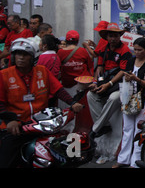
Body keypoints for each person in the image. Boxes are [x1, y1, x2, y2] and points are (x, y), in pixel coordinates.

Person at [0, 38, 83, 167]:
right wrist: (9, 121)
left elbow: (58, 90)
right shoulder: (4, 75)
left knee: (73, 148)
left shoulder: (42, 71)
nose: (20, 58)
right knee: (6, 159)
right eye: (18, 54)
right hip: (18, 127)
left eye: (25, 55)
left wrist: (72, 103)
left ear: (32, 57)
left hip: (43, 124)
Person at [110, 37, 145, 168]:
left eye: (140, 50)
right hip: (128, 98)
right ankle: (123, 159)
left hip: (143, 100)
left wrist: (136, 79)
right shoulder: (131, 61)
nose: (137, 52)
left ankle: (135, 162)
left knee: (139, 131)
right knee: (127, 129)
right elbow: (125, 73)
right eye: (135, 49)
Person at [87, 23, 131, 138]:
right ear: (106, 37)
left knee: (113, 98)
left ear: (119, 36)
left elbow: (123, 71)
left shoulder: (124, 50)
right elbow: (100, 68)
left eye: (115, 36)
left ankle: (96, 128)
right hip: (106, 82)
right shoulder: (103, 49)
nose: (113, 39)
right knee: (90, 95)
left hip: (120, 85)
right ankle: (104, 125)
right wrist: (97, 83)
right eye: (110, 36)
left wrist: (109, 84)